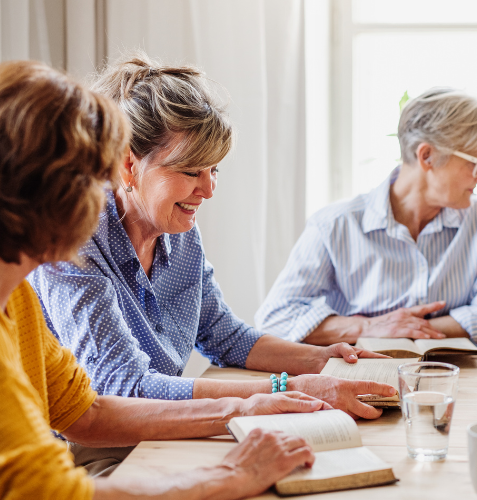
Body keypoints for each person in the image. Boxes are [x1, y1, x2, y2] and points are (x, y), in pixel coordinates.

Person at [0, 59, 326, 499]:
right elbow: (51, 489)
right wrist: (230, 473)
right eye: (88, 176)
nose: (100, 194)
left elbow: (88, 413)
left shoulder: (16, 297)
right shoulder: (70, 255)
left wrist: (252, 403)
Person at [29, 53, 394, 424]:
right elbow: (123, 387)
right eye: (190, 171)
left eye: (214, 169)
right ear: (128, 164)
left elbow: (221, 334)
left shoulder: (178, 229)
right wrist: (286, 389)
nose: (208, 189)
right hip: (82, 450)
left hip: (161, 429)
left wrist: (322, 359)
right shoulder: (75, 243)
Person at [256, 87, 477, 346]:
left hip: (455, 379)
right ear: (427, 156)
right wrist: (370, 327)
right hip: (356, 379)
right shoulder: (334, 225)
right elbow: (275, 319)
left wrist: (405, 330)